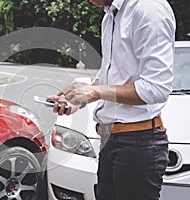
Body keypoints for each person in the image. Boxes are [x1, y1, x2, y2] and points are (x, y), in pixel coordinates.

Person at [47, 0, 176, 199]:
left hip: (137, 143)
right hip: (110, 140)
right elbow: (112, 76)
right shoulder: (110, 16)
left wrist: (95, 92)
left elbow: (156, 88)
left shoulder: (149, 8)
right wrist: (78, 100)